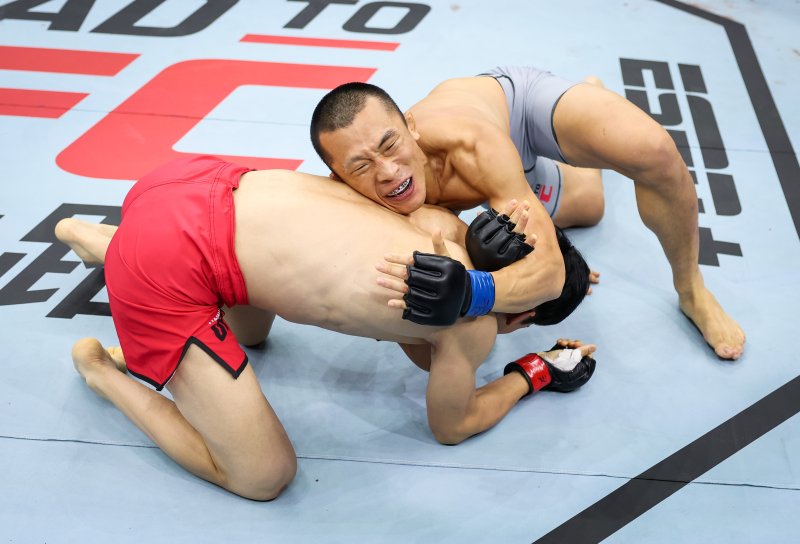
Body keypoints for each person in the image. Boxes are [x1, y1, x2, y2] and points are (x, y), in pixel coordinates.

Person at [57, 154, 597, 501]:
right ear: (523, 314)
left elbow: (416, 341)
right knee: (263, 476)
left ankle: (100, 240)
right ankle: (101, 370)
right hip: (166, 260)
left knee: (251, 336)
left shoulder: (437, 217)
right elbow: (451, 425)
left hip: (196, 182)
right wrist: (532, 372)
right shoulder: (471, 325)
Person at [309, 68, 745, 359]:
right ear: (337, 177)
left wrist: (475, 292)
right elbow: (413, 334)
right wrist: (500, 303)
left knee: (652, 150)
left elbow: (550, 274)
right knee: (589, 208)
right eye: (361, 166)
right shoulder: (350, 204)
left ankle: (691, 289)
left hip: (517, 110)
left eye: (391, 145)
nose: (388, 172)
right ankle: (579, 173)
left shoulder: (472, 147)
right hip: (499, 181)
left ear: (412, 127)